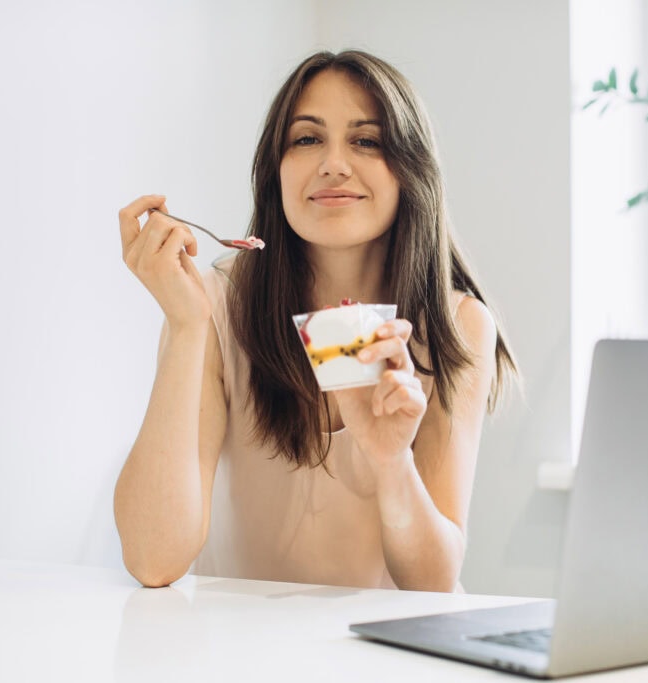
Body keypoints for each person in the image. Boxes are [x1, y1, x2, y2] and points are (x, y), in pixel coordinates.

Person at [114, 49, 517, 591]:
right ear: (274, 171)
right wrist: (187, 328)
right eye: (306, 139)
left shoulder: (458, 323)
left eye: (366, 140)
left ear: (410, 170)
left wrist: (391, 460)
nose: (333, 163)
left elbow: (432, 583)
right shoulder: (212, 306)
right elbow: (152, 559)